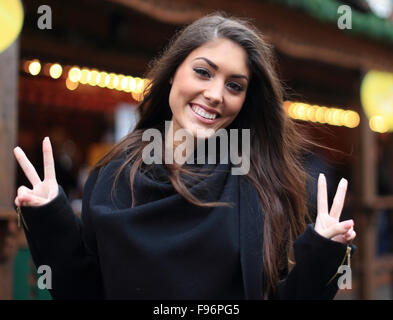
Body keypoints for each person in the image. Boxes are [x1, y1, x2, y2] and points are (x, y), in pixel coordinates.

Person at [13, 13, 356, 300]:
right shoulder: (115, 174)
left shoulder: (259, 185)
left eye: (234, 85)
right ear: (174, 72)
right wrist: (50, 217)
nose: (215, 94)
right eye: (203, 72)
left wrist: (322, 252)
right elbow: (82, 291)